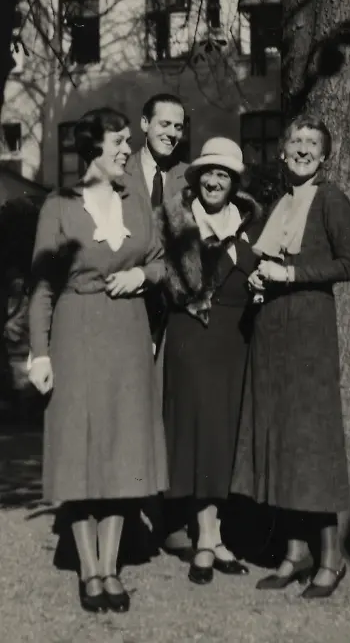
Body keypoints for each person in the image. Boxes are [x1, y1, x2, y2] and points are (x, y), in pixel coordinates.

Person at [28, 107, 168, 613]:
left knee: (123, 453)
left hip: (128, 335)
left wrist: (142, 278)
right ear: (92, 148)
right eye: (118, 142)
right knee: (80, 454)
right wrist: (40, 353)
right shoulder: (59, 206)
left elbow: (160, 261)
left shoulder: (136, 204)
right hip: (76, 333)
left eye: (129, 141)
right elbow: (43, 285)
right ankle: (88, 570)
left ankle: (111, 567)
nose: (127, 150)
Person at [232, 115, 350, 599]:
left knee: (312, 442)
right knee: (279, 440)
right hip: (271, 335)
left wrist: (292, 274)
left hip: (309, 334)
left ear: (324, 155)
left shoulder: (331, 199)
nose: (303, 149)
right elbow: (266, 258)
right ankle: (294, 552)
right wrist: (258, 278)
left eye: (313, 143)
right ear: (283, 151)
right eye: (296, 141)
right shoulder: (277, 204)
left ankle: (331, 557)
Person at [158, 137, 261, 585]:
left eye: (224, 174)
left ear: (235, 183)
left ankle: (214, 535)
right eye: (208, 174)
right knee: (197, 435)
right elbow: (163, 277)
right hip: (191, 337)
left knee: (224, 437)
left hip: (235, 341)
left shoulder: (253, 227)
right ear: (196, 179)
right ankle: (203, 538)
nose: (214, 181)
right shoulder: (177, 223)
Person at [124, 93, 191, 558]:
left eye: (178, 127)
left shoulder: (189, 178)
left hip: (174, 309)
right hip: (125, 306)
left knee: (169, 411)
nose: (170, 132)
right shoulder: (120, 172)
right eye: (163, 123)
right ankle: (127, 520)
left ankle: (172, 519)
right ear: (144, 123)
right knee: (127, 412)